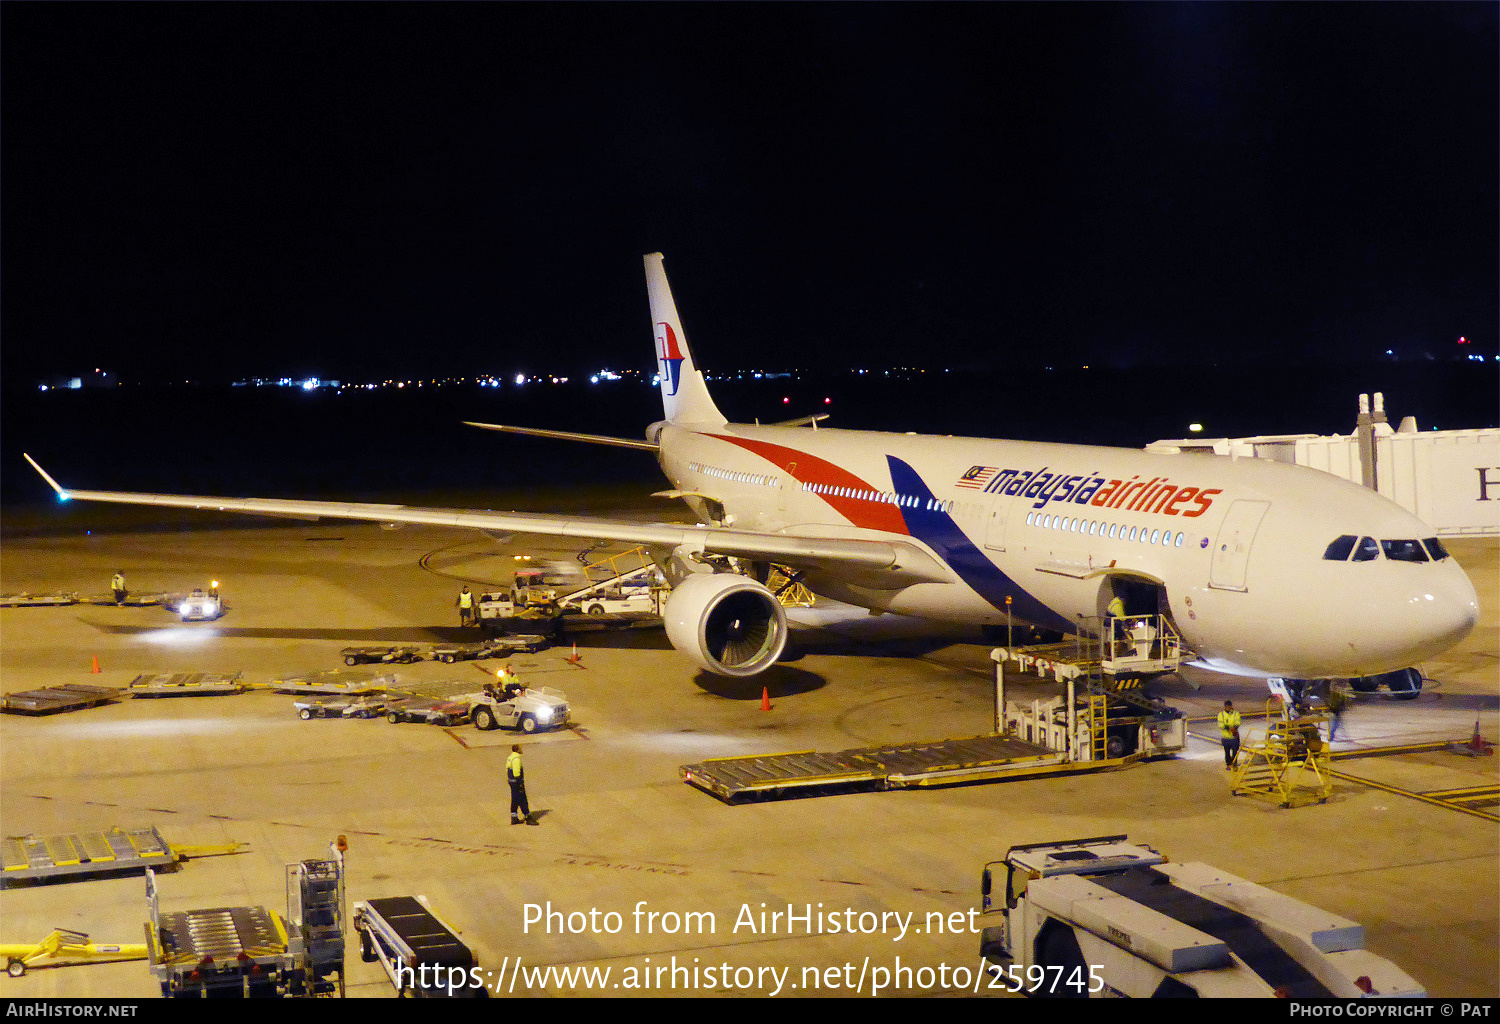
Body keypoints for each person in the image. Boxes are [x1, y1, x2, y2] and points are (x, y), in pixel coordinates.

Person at [507, 744, 537, 825]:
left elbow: (507, 768)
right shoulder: (516, 759)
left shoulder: (510, 757)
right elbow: (516, 773)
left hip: (511, 782)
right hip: (517, 782)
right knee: (522, 798)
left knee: (515, 799)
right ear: (517, 749)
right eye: (520, 748)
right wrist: (520, 783)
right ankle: (527, 816)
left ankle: (514, 816)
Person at [1217, 699, 1242, 769]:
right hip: (1225, 737)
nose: (1228, 707)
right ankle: (1228, 764)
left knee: (1235, 752)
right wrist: (1228, 727)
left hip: (1234, 737)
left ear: (1231, 706)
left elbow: (1238, 722)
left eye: (1229, 706)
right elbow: (1220, 724)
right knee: (1227, 752)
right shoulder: (1221, 714)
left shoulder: (1236, 713)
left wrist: (1233, 728)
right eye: (1226, 706)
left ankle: (1234, 764)